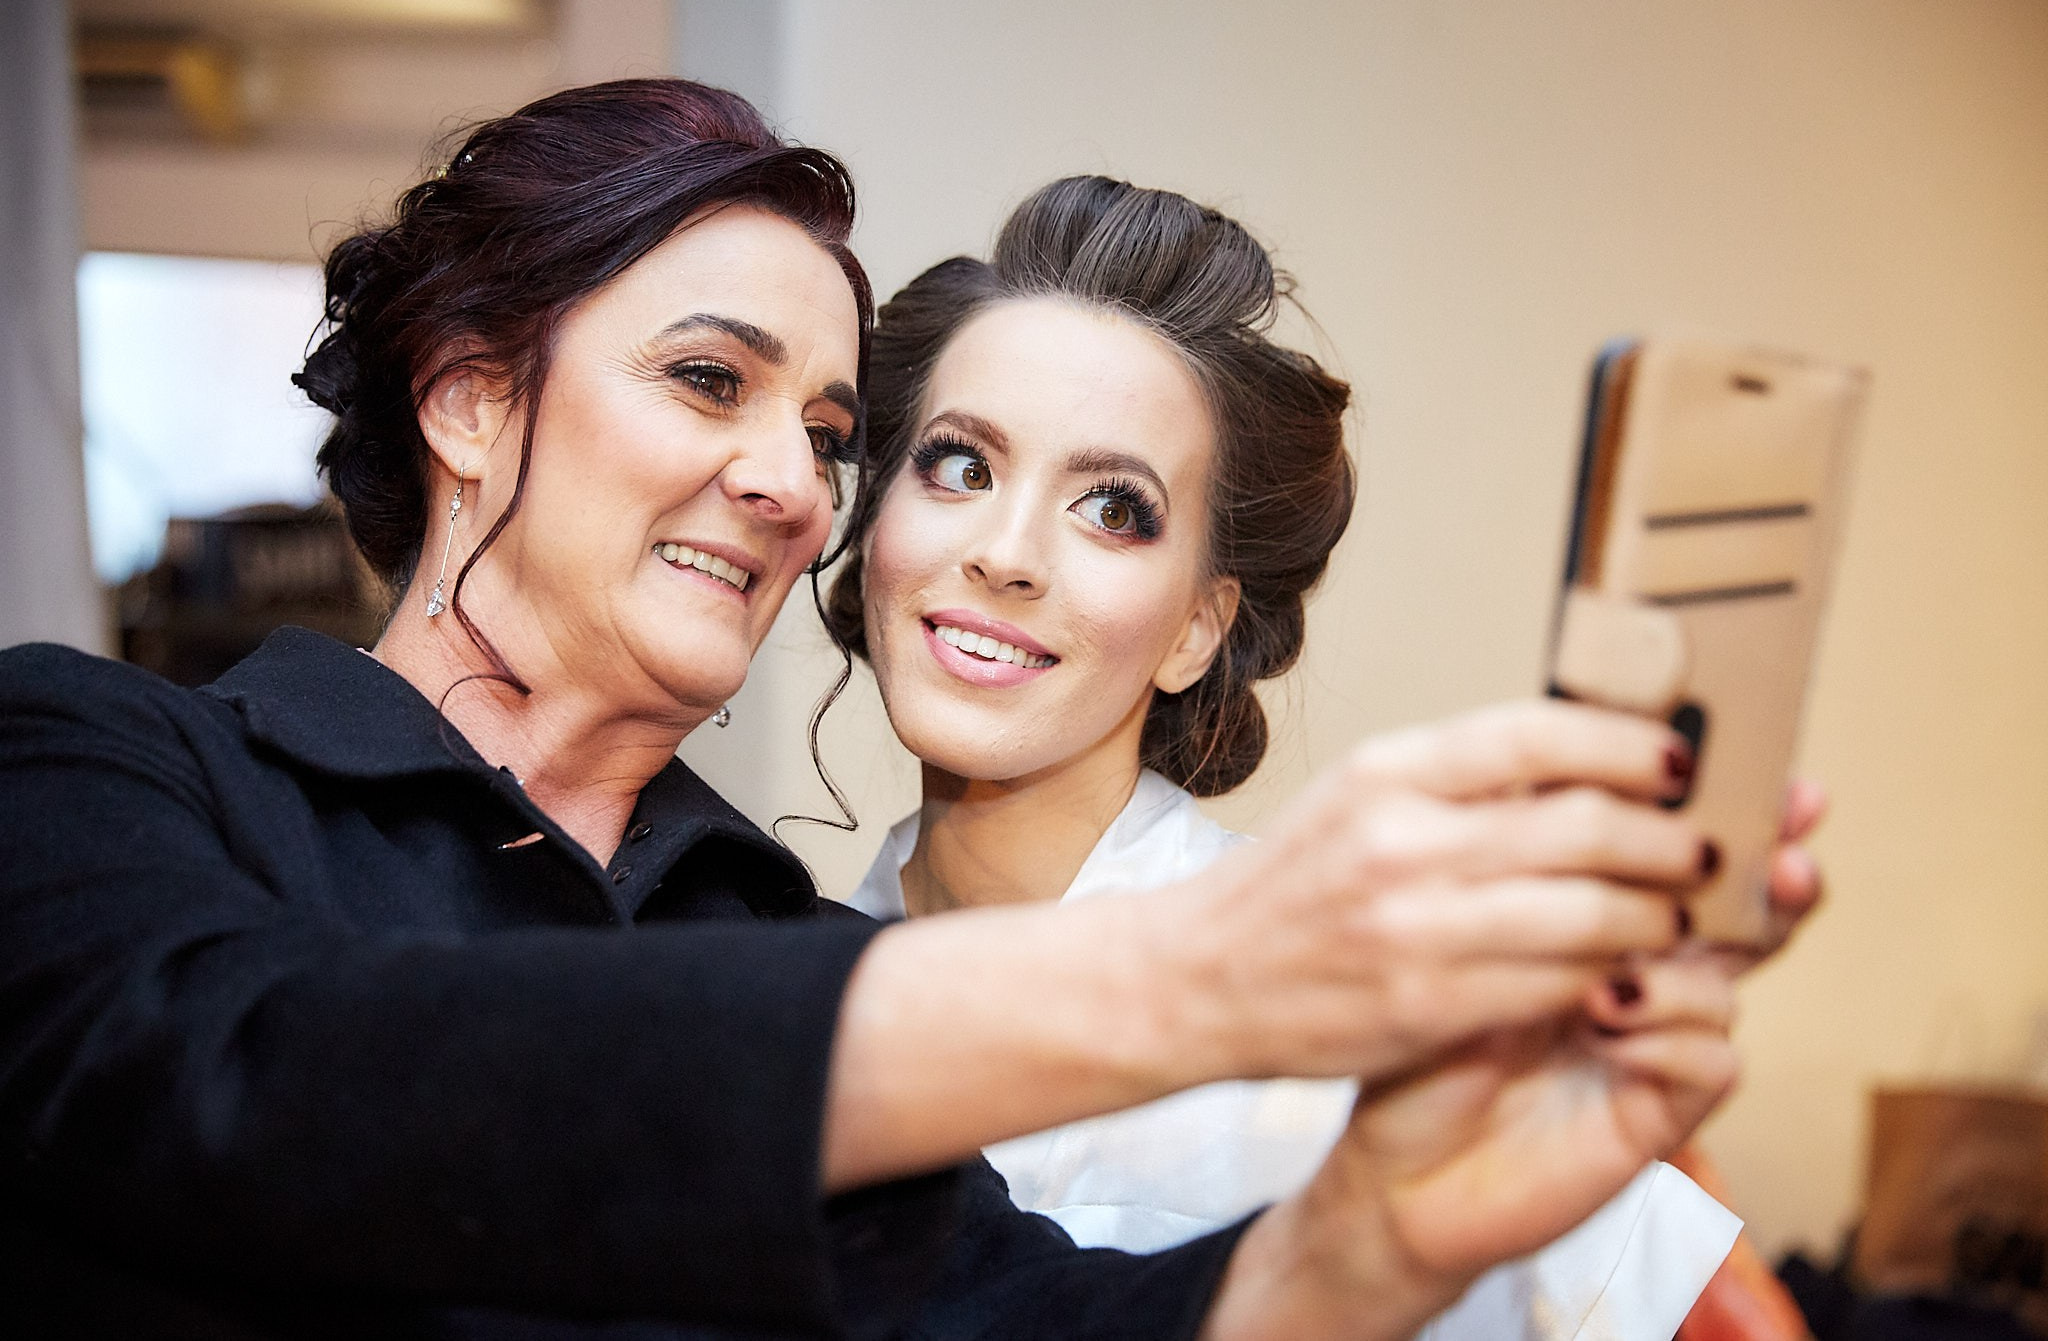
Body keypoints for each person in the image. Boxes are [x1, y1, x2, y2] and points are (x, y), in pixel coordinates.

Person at [0, 79, 1734, 1339]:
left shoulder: (768, 935)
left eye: (830, 437)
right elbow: (247, 1083)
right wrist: (1216, 974)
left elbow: (1013, 1322)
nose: (787, 485)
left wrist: (1368, 1231)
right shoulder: (94, 760)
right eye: (706, 380)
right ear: (466, 402)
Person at [826, 175, 1826, 1335]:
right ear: (875, 521)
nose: (1005, 553)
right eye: (959, 466)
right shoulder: (776, 994)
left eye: (1112, 508)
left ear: (1196, 627)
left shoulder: (1375, 1015)